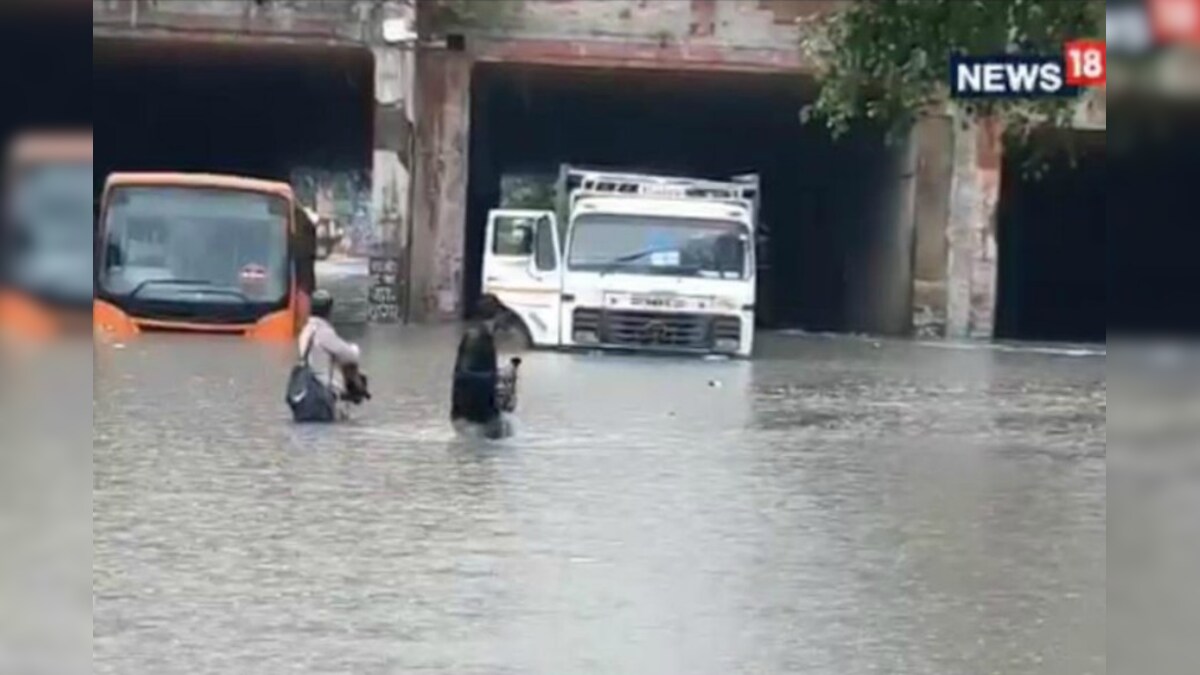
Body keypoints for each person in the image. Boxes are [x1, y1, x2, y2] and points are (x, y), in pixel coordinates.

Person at [451, 294, 518, 439]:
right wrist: (496, 376)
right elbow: (464, 374)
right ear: (496, 316)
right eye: (503, 315)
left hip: (482, 414)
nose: (506, 320)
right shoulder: (475, 337)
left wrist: (499, 376)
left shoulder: (485, 337)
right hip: (471, 418)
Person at [292, 289, 363, 422]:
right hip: (323, 396)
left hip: (306, 395)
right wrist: (354, 348)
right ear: (329, 311)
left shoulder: (306, 331)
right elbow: (350, 356)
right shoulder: (324, 333)